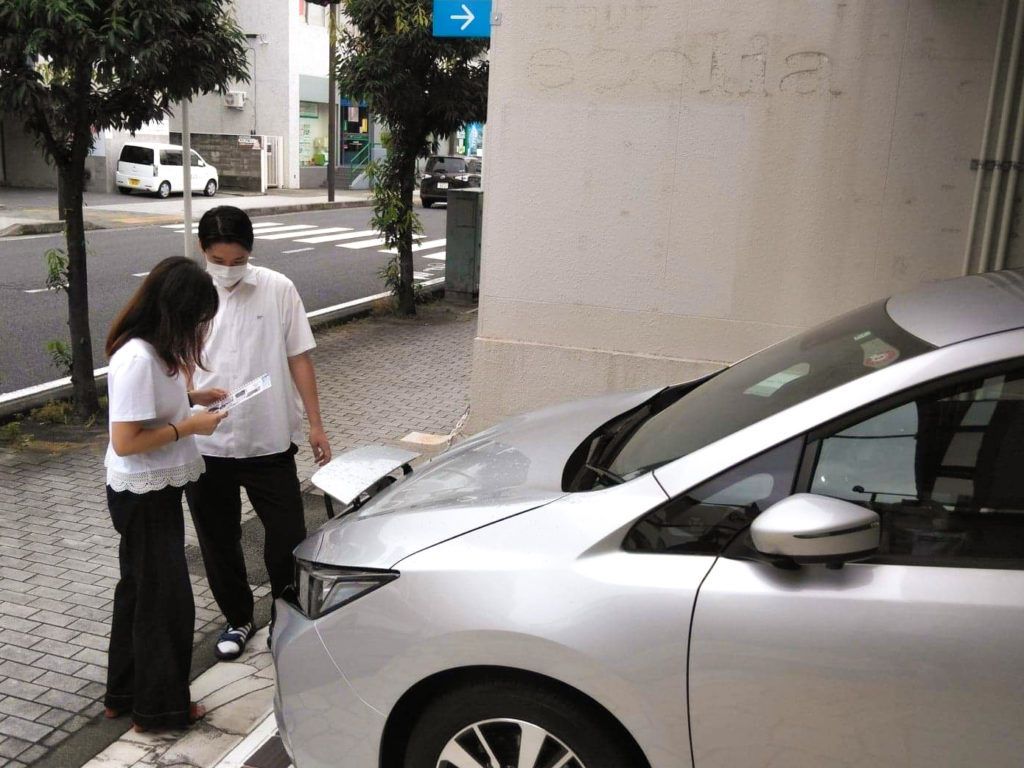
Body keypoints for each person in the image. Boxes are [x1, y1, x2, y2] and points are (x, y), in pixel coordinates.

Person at [186, 205, 332, 661]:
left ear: (250, 253)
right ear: (203, 251)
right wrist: (187, 400)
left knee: (287, 532)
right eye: (218, 261)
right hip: (207, 444)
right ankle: (238, 617)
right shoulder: (187, 295)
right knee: (218, 538)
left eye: (237, 261)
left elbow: (299, 358)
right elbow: (170, 364)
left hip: (268, 438)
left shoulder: (277, 289)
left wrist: (315, 423)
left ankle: (284, 616)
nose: (228, 271)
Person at [103, 257, 228, 732]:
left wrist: (194, 400)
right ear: (174, 312)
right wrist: (189, 426)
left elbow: (150, 411)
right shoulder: (136, 357)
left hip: (150, 490)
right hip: (143, 493)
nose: (199, 329)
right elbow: (127, 440)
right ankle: (158, 709)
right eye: (196, 319)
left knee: (140, 591)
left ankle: (126, 693)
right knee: (164, 601)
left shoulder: (156, 351)